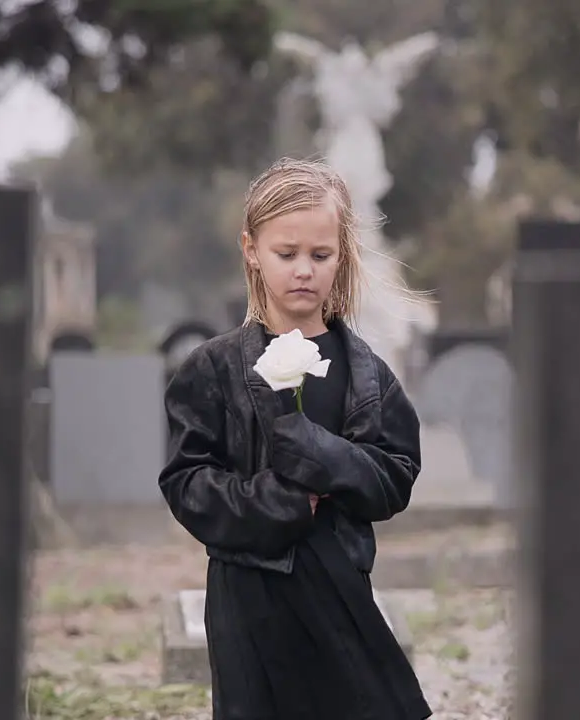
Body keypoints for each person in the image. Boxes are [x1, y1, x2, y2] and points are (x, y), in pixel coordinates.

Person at [159, 157, 432, 720]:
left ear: (341, 256)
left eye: (320, 255)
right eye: (287, 254)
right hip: (247, 596)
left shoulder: (368, 374)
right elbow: (187, 483)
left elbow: (396, 474)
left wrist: (324, 456)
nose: (303, 270)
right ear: (251, 250)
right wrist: (282, 501)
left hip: (339, 590)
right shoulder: (212, 370)